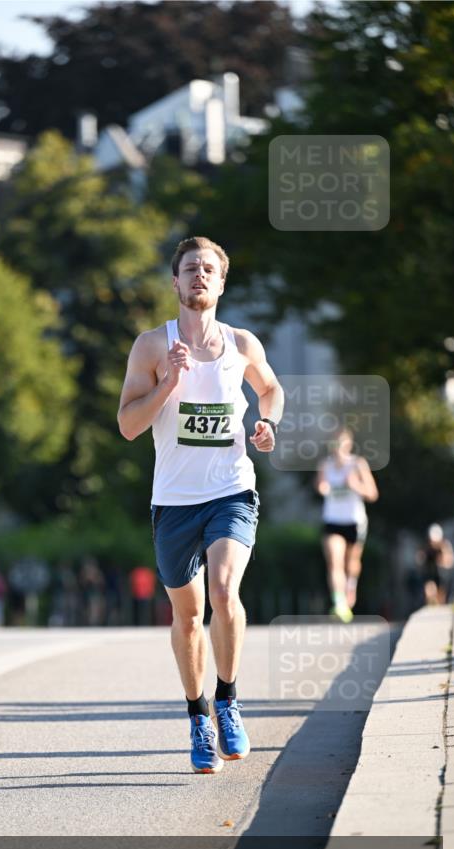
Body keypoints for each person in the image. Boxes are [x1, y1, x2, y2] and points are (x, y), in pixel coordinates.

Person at [117, 236, 284, 774]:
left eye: (209, 269)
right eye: (190, 268)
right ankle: (197, 716)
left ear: (221, 281)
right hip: (173, 502)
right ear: (175, 281)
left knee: (223, 589)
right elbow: (126, 426)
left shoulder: (241, 344)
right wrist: (167, 382)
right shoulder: (150, 346)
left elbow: (272, 389)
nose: (199, 276)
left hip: (231, 491)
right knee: (188, 617)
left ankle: (229, 700)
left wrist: (267, 423)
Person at [315, 427, 378, 622]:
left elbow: (372, 494)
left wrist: (355, 486)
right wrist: (322, 487)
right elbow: (320, 486)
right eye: (335, 443)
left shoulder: (358, 464)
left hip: (354, 521)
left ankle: (351, 586)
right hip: (332, 521)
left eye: (341, 443)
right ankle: (339, 603)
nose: (338, 447)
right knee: (335, 560)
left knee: (351, 564)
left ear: (348, 444)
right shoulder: (325, 465)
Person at [416, 523, 454, 606]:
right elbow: (419, 560)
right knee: (430, 591)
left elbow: (450, 563)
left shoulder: (445, 546)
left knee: (441, 597)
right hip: (429, 573)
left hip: (442, 575)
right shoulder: (426, 547)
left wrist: (442, 558)